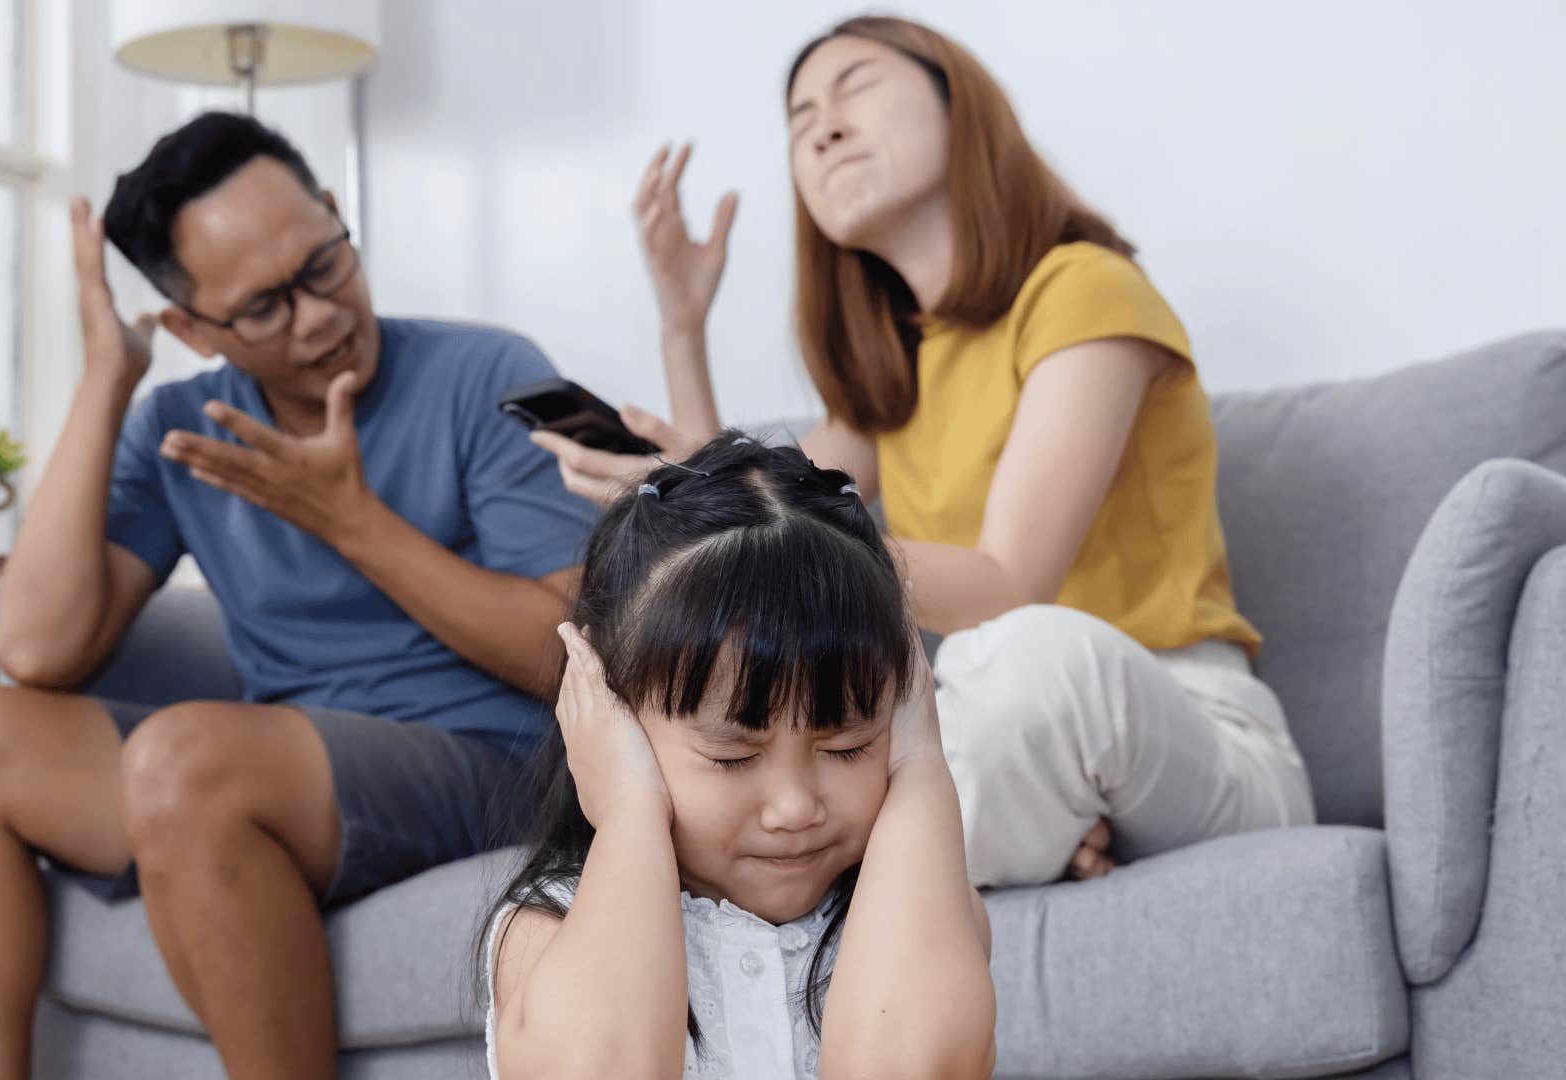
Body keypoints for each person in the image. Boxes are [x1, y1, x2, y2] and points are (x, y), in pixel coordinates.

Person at [531, 15, 1315, 888]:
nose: (822, 126)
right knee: (767, 749)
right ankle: (1025, 824)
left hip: (1178, 718)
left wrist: (777, 546)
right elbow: (749, 516)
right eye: (800, 119)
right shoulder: (895, 370)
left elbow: (1012, 583)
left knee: (1021, 658)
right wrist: (683, 325)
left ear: (959, 109)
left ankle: (974, 826)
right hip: (1000, 724)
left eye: (856, 87)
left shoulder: (1086, 290)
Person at [0, 112, 596, 1079]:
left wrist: (351, 520)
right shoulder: (187, 427)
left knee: (190, 763)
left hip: (491, 763)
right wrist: (106, 382)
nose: (319, 315)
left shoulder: (487, 373)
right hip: (291, 769)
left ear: (337, 212)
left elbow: (562, 655)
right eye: (265, 306)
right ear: (192, 329)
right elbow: (36, 648)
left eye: (325, 263)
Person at [483, 433, 995, 1080]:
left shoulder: (917, 898)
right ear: (611, 725)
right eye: (733, 756)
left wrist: (920, 761)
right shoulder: (543, 925)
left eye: (848, 746)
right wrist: (630, 812)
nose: (795, 808)